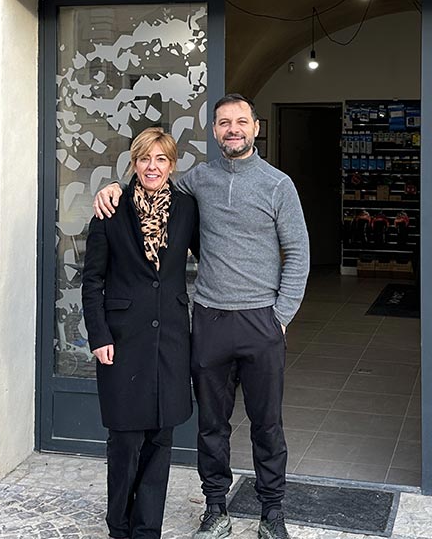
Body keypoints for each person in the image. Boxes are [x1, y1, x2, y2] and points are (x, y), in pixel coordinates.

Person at [94, 94, 309, 539]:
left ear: (255, 128)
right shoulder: (198, 181)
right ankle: (216, 508)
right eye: (224, 122)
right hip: (208, 319)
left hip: (260, 321)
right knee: (212, 425)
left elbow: (299, 254)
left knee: (268, 424)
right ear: (214, 131)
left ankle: (273, 513)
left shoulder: (278, 185)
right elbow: (151, 177)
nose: (233, 129)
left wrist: (281, 316)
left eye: (241, 122)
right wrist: (113, 185)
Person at [82, 127, 199, 539]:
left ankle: (148, 528)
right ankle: (119, 525)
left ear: (172, 165)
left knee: (161, 439)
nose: (153, 167)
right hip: (122, 339)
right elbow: (92, 280)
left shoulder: (186, 208)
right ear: (134, 163)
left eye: (161, 159)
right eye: (145, 159)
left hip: (170, 339)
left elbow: (211, 255)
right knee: (126, 440)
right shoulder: (110, 209)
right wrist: (99, 336)